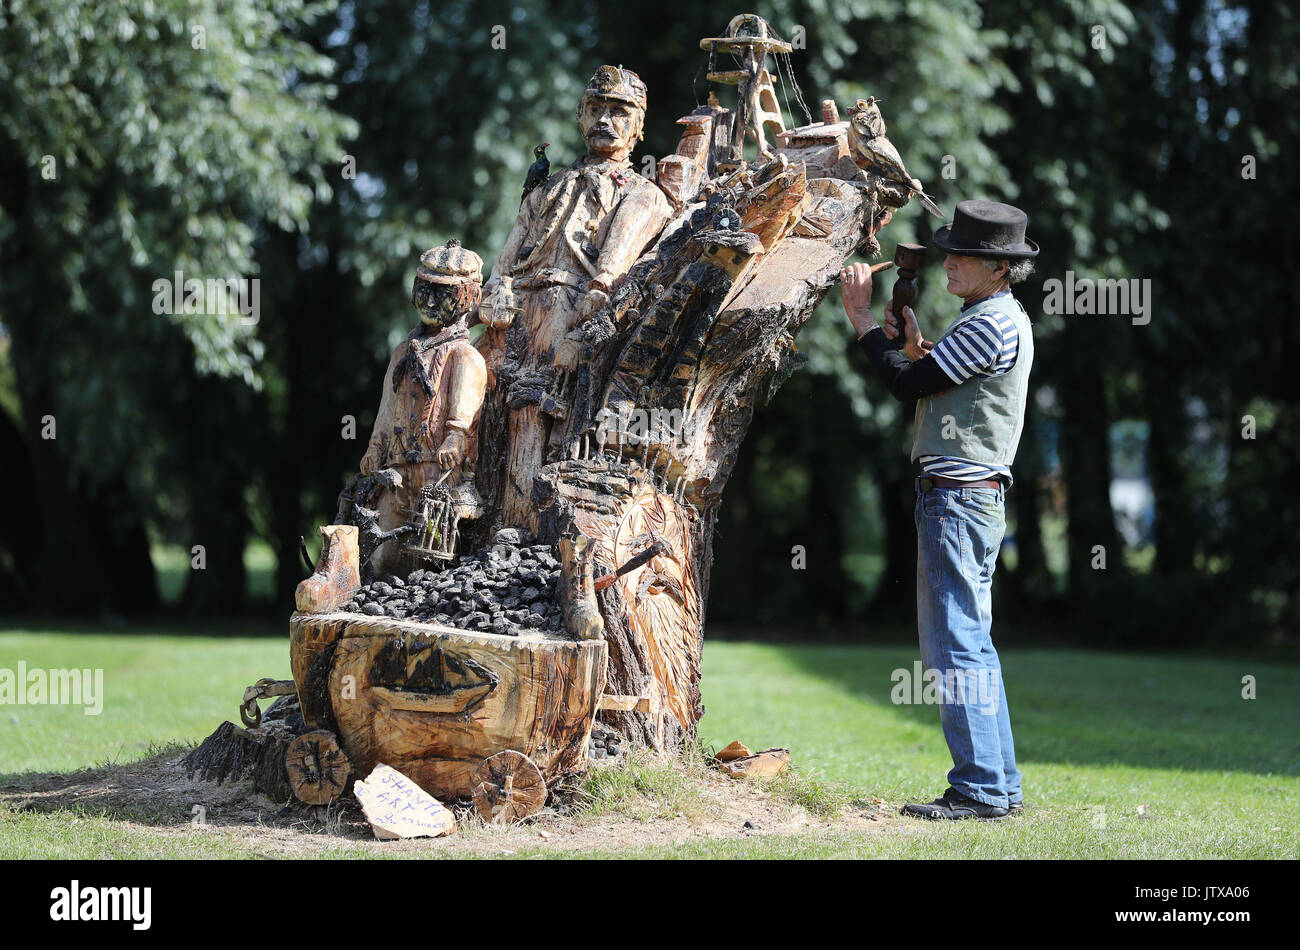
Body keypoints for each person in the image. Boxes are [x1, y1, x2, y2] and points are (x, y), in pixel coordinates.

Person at [840, 199, 1039, 820]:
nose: (949, 262)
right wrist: (920, 347)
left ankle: (979, 789)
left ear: (1000, 268)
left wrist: (860, 318)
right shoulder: (996, 317)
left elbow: (907, 386)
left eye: (964, 256)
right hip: (969, 499)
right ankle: (998, 785)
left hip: (956, 500)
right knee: (970, 641)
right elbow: (935, 376)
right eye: (950, 251)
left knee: (955, 645)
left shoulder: (988, 324)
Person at [477, 65, 673, 530]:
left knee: (531, 407)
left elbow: (610, 277)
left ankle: (523, 528)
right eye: (596, 109)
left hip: (571, 312)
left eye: (620, 112)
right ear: (580, 116)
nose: (606, 119)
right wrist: (497, 290)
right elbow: (504, 263)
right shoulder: (544, 190)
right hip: (515, 314)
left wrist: (583, 323)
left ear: (639, 126)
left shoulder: (644, 195)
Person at [359, 240, 488, 578]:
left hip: (438, 473)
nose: (430, 301)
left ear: (468, 297)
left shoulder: (465, 356)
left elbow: (465, 408)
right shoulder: (403, 353)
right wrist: (375, 446)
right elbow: (388, 408)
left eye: (444, 293)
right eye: (425, 290)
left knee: (431, 556)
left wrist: (455, 438)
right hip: (397, 471)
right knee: (383, 550)